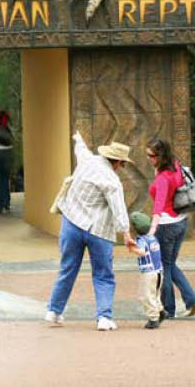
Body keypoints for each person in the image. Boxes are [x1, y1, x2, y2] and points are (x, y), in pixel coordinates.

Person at [45, 131, 132, 331]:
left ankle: (54, 311)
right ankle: (104, 317)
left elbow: (80, 149)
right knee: (103, 274)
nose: (121, 168)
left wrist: (78, 137)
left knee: (67, 268)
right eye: (122, 164)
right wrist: (126, 233)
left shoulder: (86, 161)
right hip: (98, 231)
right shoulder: (112, 181)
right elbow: (118, 208)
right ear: (117, 162)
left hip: (71, 223)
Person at [145, 138, 195, 319]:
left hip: (166, 226)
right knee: (169, 264)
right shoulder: (176, 166)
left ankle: (168, 309)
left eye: (151, 156)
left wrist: (152, 230)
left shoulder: (162, 178)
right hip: (181, 222)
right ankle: (191, 299)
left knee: (164, 268)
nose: (148, 158)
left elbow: (159, 204)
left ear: (160, 156)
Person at [127, 211, 163, 330]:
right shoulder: (152, 237)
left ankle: (153, 318)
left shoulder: (141, 240)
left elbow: (142, 252)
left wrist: (132, 249)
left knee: (146, 295)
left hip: (148, 272)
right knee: (155, 294)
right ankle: (160, 311)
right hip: (158, 271)